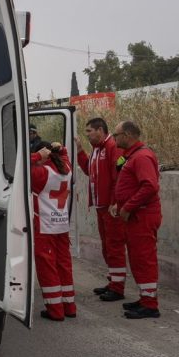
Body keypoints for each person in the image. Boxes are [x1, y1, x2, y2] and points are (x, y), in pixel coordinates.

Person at [109, 121, 163, 319]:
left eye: (116, 135)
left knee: (144, 259)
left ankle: (150, 304)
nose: (114, 139)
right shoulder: (132, 156)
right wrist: (119, 204)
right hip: (136, 215)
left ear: (128, 135)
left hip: (142, 215)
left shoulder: (141, 157)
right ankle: (145, 298)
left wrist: (128, 207)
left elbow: (149, 186)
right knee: (137, 258)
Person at [75, 118, 127, 300]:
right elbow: (90, 171)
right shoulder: (97, 150)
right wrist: (80, 151)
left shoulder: (113, 147)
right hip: (101, 207)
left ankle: (118, 288)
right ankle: (113, 281)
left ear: (100, 130)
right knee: (107, 246)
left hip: (110, 208)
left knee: (114, 246)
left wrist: (115, 202)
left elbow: (119, 178)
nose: (87, 134)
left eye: (89, 131)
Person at [31, 142, 76, 320]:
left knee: (47, 268)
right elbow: (65, 156)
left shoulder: (41, 173)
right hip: (62, 226)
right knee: (64, 265)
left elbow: (21, 167)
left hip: (45, 227)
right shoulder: (66, 167)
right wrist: (61, 149)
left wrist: (36, 156)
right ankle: (69, 307)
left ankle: (55, 311)